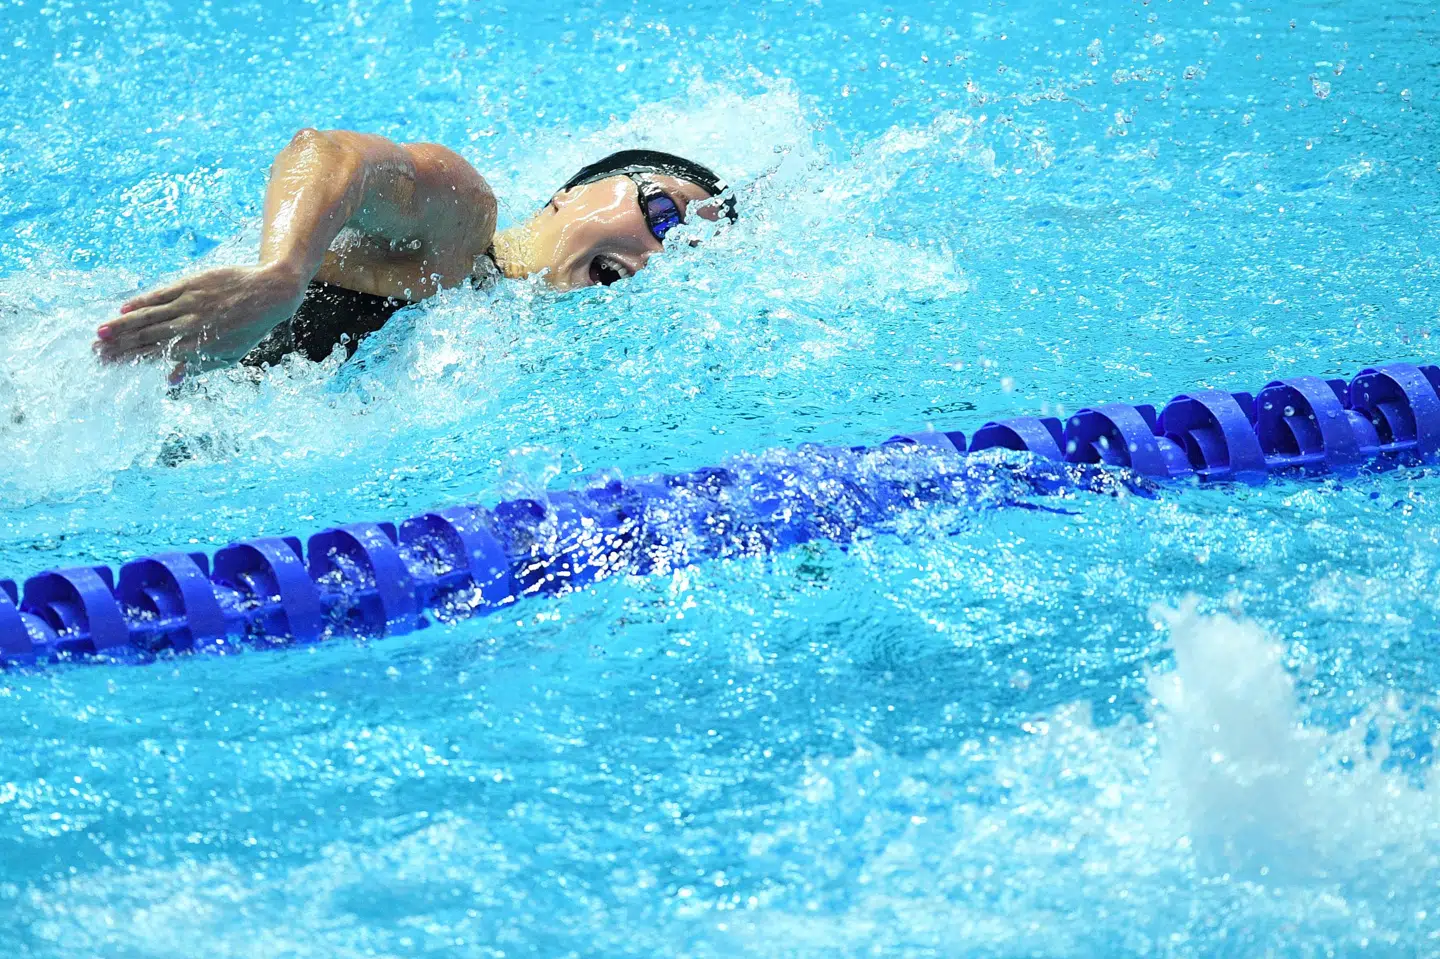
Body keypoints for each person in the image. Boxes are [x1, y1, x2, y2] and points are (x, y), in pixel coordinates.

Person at [93, 130, 737, 380]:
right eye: (663, 212)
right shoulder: (461, 225)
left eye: (685, 254)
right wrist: (281, 274)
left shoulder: (491, 343)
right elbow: (325, 153)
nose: (660, 252)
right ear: (569, 195)